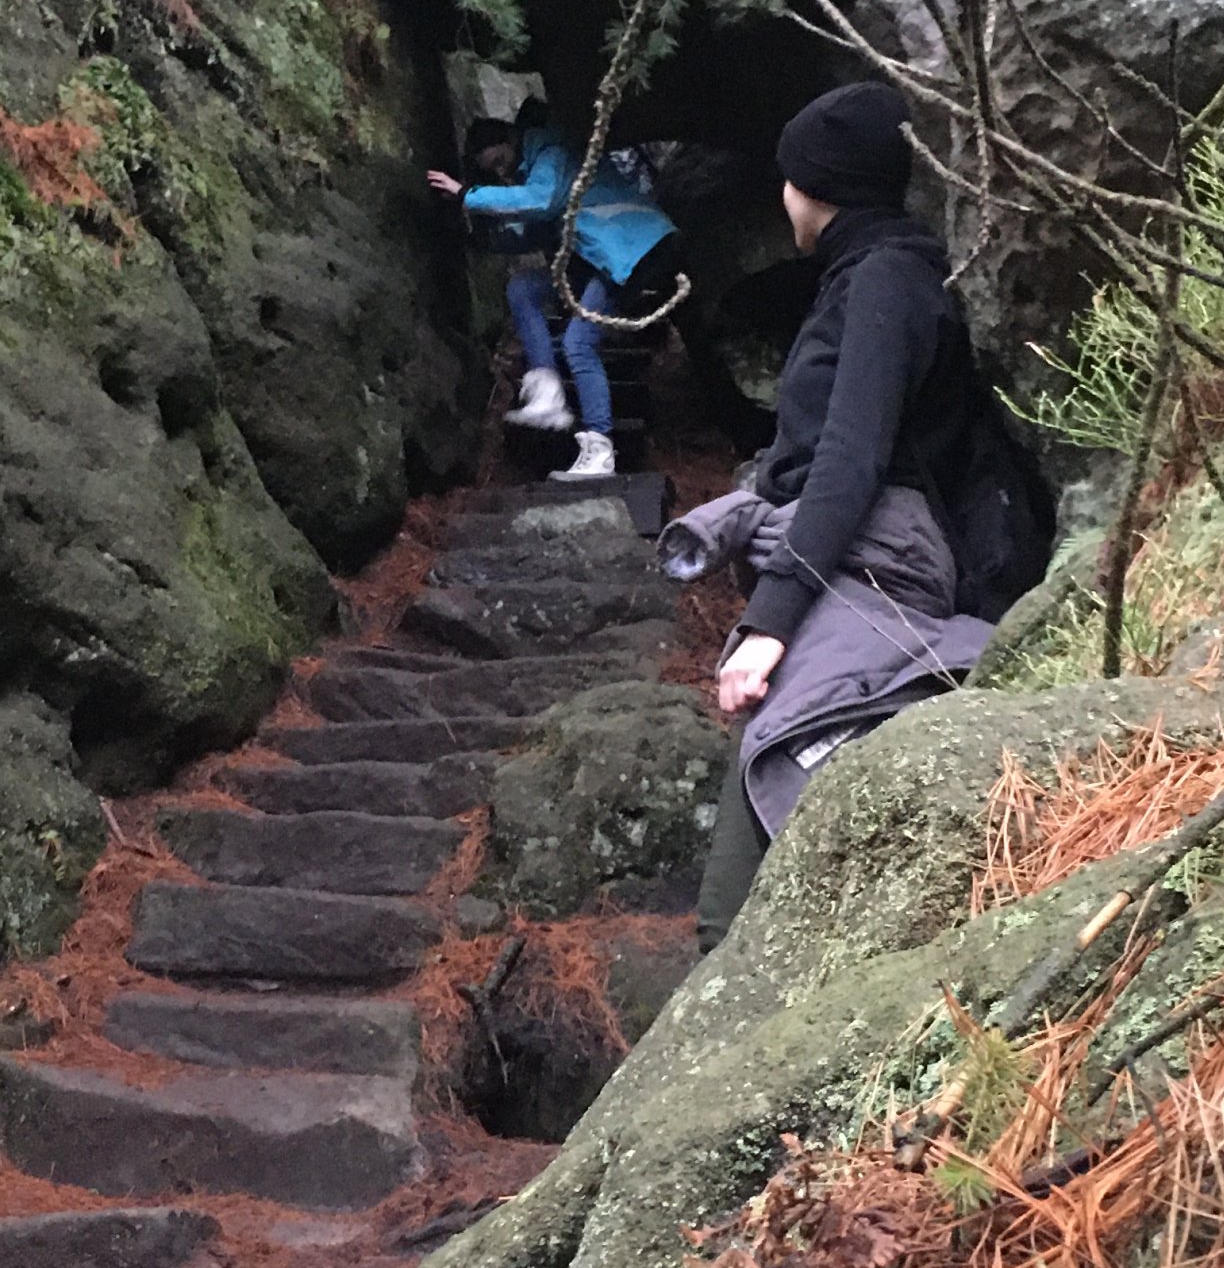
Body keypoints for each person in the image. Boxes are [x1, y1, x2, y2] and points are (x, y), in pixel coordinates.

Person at [671, 83, 1051, 951]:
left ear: (817, 186)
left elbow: (851, 460)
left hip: (868, 567)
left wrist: (768, 624)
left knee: (734, 905)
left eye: (789, 177)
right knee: (749, 885)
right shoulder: (882, 275)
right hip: (857, 560)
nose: (783, 195)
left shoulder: (884, 278)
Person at [428, 103, 677, 482]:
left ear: (512, 139)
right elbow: (537, 231)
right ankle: (546, 388)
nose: (501, 173)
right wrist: (478, 237)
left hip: (630, 248)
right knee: (523, 288)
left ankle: (600, 450)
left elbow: (540, 201)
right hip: (603, 257)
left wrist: (468, 195)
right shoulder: (533, 169)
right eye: (493, 169)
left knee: (578, 344)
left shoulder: (551, 150)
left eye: (501, 161)